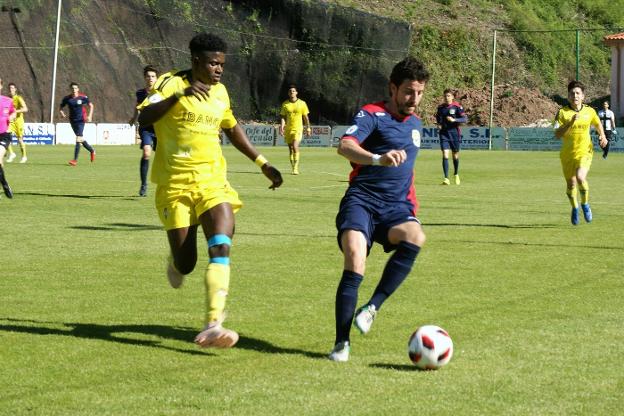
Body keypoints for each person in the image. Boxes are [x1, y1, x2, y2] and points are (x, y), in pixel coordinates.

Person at [137, 33, 283, 349]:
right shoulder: (170, 83)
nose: (218, 69)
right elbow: (143, 118)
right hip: (175, 186)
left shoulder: (221, 93)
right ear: (196, 61)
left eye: (222, 64)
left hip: (213, 183)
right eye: (213, 63)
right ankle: (175, 262)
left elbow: (230, 127)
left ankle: (213, 324)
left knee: (221, 246)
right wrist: (179, 97)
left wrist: (262, 162)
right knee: (186, 263)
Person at [329, 57, 430, 362]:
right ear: (393, 88)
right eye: (409, 92)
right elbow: (344, 145)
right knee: (355, 258)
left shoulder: (416, 124)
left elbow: (407, 171)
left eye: (420, 93)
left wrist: (410, 204)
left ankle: (372, 308)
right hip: (361, 201)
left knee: (416, 237)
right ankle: (341, 344)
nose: (414, 99)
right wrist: (377, 158)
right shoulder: (372, 114)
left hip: (396, 207)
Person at [554, 80, 608, 225]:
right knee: (571, 184)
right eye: (572, 93)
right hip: (567, 155)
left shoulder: (590, 111)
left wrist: (602, 135)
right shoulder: (562, 113)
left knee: (580, 177)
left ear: (583, 96)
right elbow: (557, 134)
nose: (575, 96)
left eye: (578, 93)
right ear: (568, 96)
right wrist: (570, 123)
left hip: (585, 152)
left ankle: (585, 204)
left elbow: (597, 123)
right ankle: (575, 207)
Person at [129, 65, 158, 196]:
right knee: (147, 153)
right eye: (148, 76)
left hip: (161, 129)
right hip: (146, 128)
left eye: (153, 76)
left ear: (157, 78)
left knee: (167, 156)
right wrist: (133, 118)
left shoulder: (162, 92)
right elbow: (138, 106)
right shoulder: (140, 93)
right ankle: (143, 185)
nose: (150, 78)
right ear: (144, 78)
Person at [435, 89, 467, 185]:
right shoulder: (440, 108)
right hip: (444, 133)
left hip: (454, 133)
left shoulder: (457, 107)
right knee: (445, 154)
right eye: (445, 96)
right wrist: (439, 125)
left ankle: (456, 174)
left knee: (455, 155)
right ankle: (446, 178)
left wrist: (454, 120)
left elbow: (465, 119)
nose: (446, 97)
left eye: (448, 96)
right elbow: (438, 120)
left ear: (452, 97)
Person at [60, 82, 95, 166]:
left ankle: (75, 160)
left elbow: (91, 105)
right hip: (72, 121)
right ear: (70, 89)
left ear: (78, 89)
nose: (74, 90)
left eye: (75, 88)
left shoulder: (83, 97)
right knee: (80, 139)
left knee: (78, 139)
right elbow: (61, 107)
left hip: (81, 120)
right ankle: (92, 150)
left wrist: (90, 116)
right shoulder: (67, 98)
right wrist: (62, 113)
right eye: (72, 88)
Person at [279, 85, 311, 175]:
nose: (292, 92)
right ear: (288, 93)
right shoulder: (285, 104)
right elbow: (283, 117)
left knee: (295, 146)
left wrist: (308, 128)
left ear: (296, 93)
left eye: (293, 91)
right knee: (290, 149)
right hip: (288, 129)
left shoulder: (302, 103)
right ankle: (293, 167)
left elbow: (305, 117)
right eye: (290, 91)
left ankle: (296, 168)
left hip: (298, 128)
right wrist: (281, 127)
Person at [0, 78, 16, 199]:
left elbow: (14, 112)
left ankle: (4, 185)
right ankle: (4, 184)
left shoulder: (8, 101)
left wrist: (11, 116)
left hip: (4, 135)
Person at [5, 83, 28, 163]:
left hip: (19, 121)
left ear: (15, 89)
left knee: (20, 139)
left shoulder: (18, 98)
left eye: (12, 88)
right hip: (11, 121)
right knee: (5, 136)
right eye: (9, 88)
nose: (10, 89)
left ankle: (24, 156)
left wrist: (16, 111)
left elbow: (25, 109)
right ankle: (11, 153)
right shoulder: (7, 99)